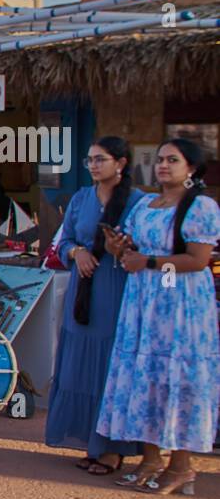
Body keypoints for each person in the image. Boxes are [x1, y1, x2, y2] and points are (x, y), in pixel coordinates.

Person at [99, 138, 220, 495]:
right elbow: (126, 248)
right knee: (146, 376)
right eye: (161, 160)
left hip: (181, 304)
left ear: (191, 168)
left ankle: (181, 466)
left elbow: (198, 260)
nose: (163, 165)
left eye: (173, 160)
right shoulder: (145, 205)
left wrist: (147, 262)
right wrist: (117, 247)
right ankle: (150, 459)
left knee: (178, 378)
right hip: (144, 302)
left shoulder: (201, 206)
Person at [45, 137, 145, 474]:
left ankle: (111, 449)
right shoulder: (80, 199)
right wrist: (77, 253)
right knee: (77, 364)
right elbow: (64, 241)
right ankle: (90, 441)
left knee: (109, 366)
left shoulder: (137, 203)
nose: (93, 165)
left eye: (100, 159)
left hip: (116, 289)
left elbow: (145, 248)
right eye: (89, 159)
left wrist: (123, 250)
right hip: (82, 290)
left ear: (121, 163)